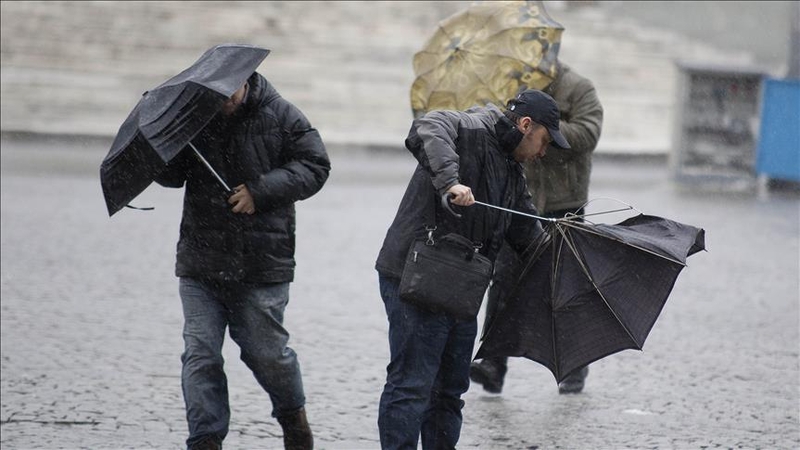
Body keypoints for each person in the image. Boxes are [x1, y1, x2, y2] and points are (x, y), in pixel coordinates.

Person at [374, 89, 570, 449]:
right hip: (414, 277)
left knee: (449, 392)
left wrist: (570, 246)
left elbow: (531, 241)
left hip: (459, 290)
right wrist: (450, 182)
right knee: (412, 385)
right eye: (544, 142)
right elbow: (429, 126)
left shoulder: (513, 174)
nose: (543, 153)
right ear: (526, 125)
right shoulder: (472, 128)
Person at [154, 70, 331, 450]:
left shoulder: (282, 115)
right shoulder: (193, 119)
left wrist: (259, 191)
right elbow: (173, 176)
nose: (223, 100)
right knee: (200, 354)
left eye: (228, 92)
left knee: (267, 354)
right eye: (214, 94)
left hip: (261, 262)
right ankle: (205, 440)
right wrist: (160, 143)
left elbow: (316, 167)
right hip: (201, 260)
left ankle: (293, 419)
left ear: (245, 79)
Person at [469, 60, 604, 395]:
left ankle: (574, 365)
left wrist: (545, 133)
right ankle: (493, 363)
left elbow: (588, 133)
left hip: (564, 203)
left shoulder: (579, 88)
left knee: (565, 284)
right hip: (521, 198)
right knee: (503, 279)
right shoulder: (518, 87)